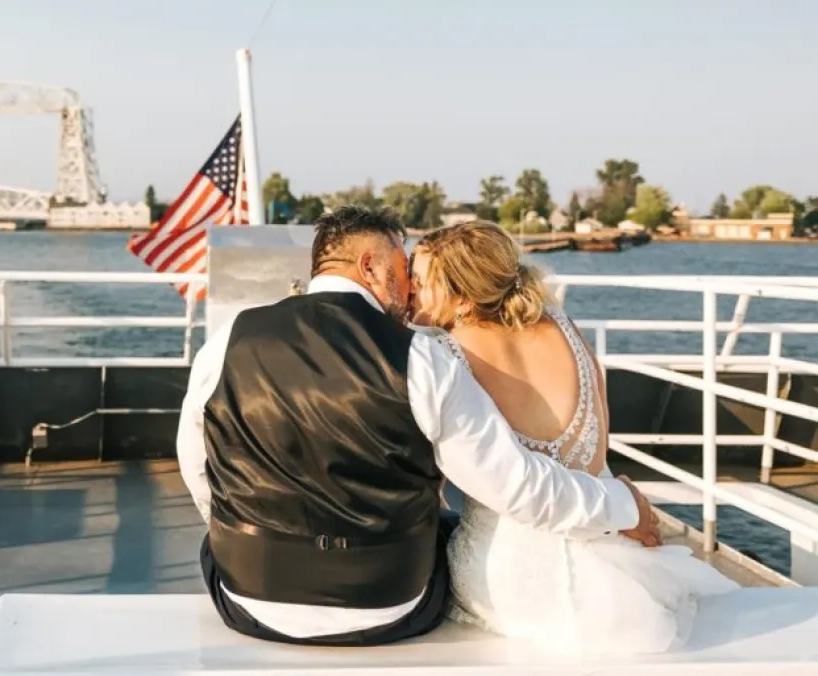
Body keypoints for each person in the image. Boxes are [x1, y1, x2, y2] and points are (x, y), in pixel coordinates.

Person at [176, 205, 661, 647]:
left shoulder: (226, 340)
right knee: (446, 527)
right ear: (370, 267)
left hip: (249, 599)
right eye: (402, 268)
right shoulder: (422, 359)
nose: (408, 288)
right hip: (389, 605)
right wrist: (623, 505)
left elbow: (199, 468)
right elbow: (516, 487)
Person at [409, 220, 738, 654]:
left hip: (509, 578)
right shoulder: (563, 327)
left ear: (460, 290)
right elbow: (600, 437)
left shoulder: (438, 350)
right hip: (616, 565)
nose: (409, 291)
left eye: (420, 281)